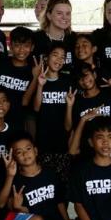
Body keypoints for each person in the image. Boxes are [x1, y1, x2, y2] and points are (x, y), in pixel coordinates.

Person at [9, 132, 79, 220]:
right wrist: (18, 208)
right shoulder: (16, 182)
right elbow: (25, 216)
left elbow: (59, 202)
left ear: (35, 151)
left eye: (28, 149)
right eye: (19, 152)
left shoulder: (50, 173)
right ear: (14, 158)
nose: (25, 154)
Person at [32, 43, 73, 182]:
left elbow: (68, 126)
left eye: (63, 57)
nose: (59, 60)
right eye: (55, 55)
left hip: (62, 145)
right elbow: (36, 109)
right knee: (44, 181)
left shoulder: (68, 82)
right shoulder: (40, 80)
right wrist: (40, 86)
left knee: (62, 185)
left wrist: (69, 105)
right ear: (46, 57)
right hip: (42, 143)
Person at [0, 26, 34, 130]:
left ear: (32, 47)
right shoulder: (0, 61)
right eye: (17, 45)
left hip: (17, 122)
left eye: (26, 46)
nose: (21, 50)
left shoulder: (33, 70)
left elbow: (24, 102)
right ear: (10, 46)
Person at [33, 0, 76, 67]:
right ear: (49, 15)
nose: (64, 17)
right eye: (59, 13)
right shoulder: (36, 39)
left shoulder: (74, 39)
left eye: (68, 13)